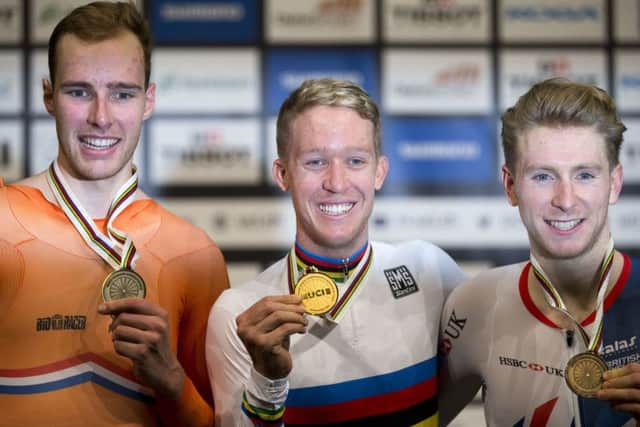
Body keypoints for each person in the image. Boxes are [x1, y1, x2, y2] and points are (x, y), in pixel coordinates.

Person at [0, 2, 229, 426]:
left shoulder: (195, 254)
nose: (100, 117)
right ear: (49, 95)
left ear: (149, 100)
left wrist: (172, 381)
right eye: (79, 91)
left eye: (122, 93)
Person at [205, 77, 465, 426]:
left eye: (355, 161)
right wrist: (267, 382)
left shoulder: (430, 271)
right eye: (315, 162)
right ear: (283, 174)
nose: (337, 183)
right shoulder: (239, 314)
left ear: (380, 172)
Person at [438, 77, 640, 426]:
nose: (564, 200)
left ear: (615, 182)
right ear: (510, 185)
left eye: (585, 176)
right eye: (543, 176)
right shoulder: (473, 305)